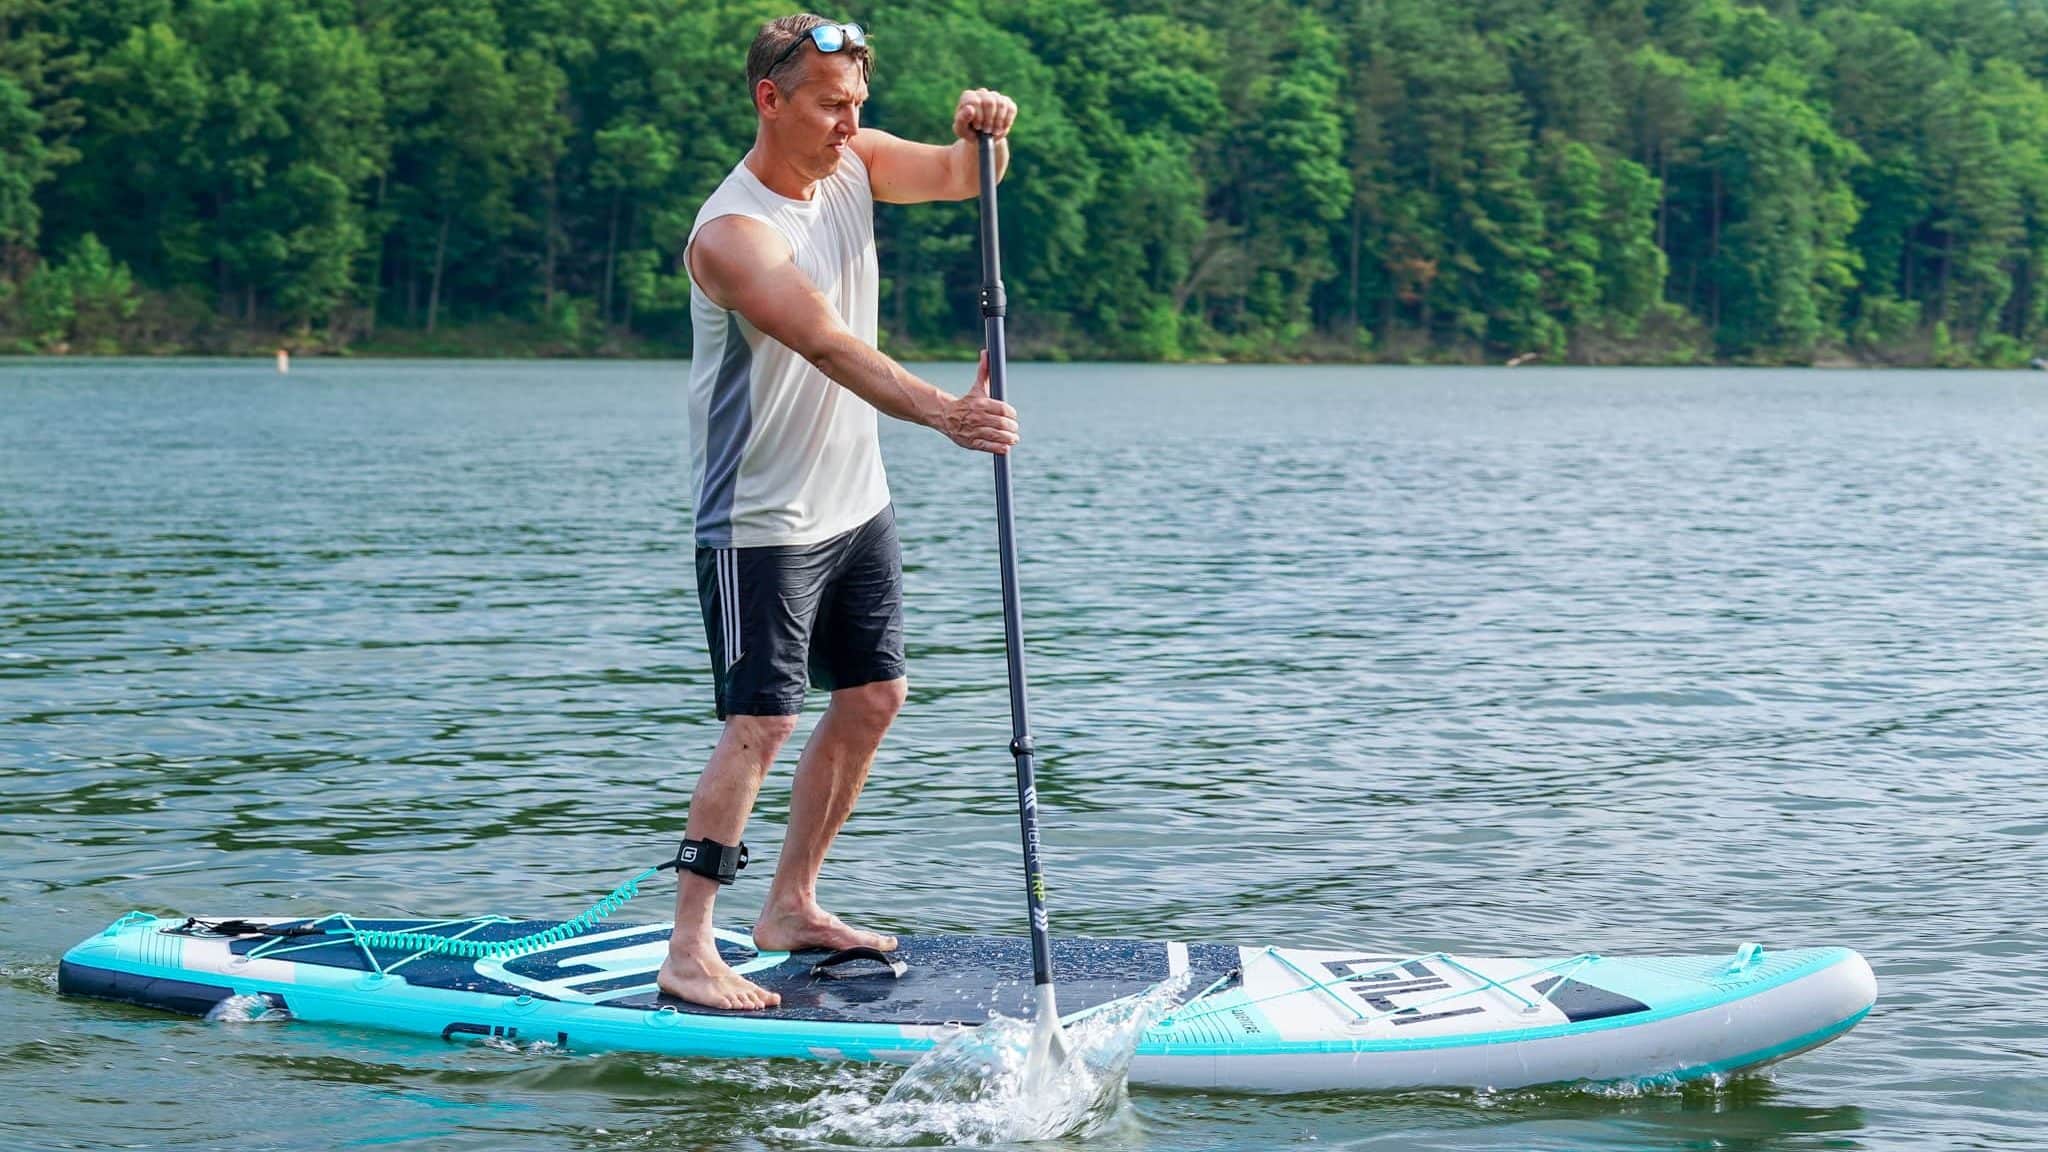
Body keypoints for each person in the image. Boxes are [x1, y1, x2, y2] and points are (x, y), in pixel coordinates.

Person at [660, 13, 1021, 1010]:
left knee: (871, 698)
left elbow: (960, 176)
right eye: (827, 106)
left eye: (856, 105)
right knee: (760, 722)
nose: (845, 124)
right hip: (759, 519)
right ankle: (689, 947)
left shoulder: (854, 160)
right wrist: (947, 413)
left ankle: (788, 906)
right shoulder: (732, 234)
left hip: (853, 502)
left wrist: (984, 129)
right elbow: (825, 344)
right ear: (767, 99)